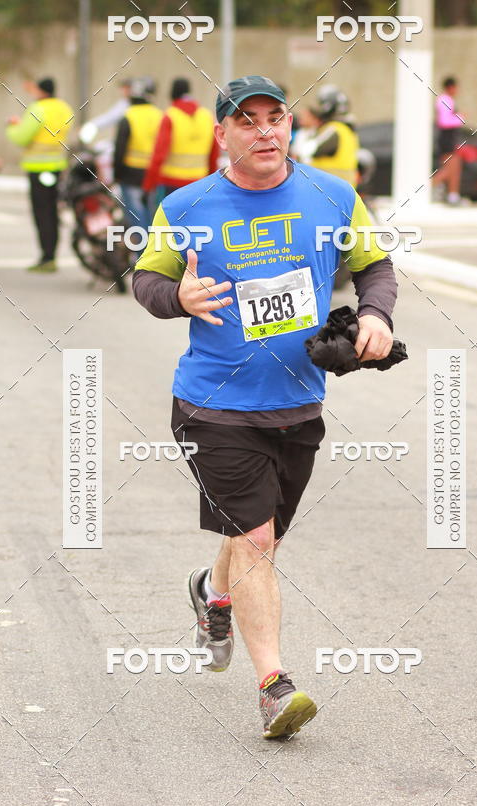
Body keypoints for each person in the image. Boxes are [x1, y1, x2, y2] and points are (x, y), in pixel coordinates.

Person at [132, 75, 397, 739]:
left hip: (299, 403)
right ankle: (275, 687)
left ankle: (210, 593)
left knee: (251, 534)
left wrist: (375, 314)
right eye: (246, 121)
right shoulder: (187, 205)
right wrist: (178, 301)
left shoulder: (330, 196)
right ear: (222, 134)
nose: (264, 131)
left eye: (274, 118)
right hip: (211, 405)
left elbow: (376, 267)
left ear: (290, 126)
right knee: (257, 539)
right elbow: (145, 280)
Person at [6, 77, 73, 272]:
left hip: (38, 169)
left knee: (42, 212)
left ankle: (47, 257)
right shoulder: (64, 108)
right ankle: (52, 254)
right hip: (57, 167)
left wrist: (11, 126)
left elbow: (21, 137)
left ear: (41, 90)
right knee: (52, 211)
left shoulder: (38, 109)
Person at [142, 77, 217, 211]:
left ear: (172, 93)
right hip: (199, 183)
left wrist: (148, 186)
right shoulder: (207, 116)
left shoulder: (170, 116)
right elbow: (213, 155)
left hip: (171, 185)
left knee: (168, 228)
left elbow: (159, 155)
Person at [113, 77, 160, 232]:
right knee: (153, 216)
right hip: (153, 174)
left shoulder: (128, 116)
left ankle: (142, 253)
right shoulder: (159, 115)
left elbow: (120, 148)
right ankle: (153, 252)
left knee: (136, 216)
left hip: (131, 174)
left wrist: (117, 174)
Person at [297, 85, 359, 186]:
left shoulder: (334, 129)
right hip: (341, 189)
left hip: (327, 189)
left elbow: (307, 150)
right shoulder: (346, 129)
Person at [432, 76, 465, 206]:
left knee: (455, 167)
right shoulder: (444, 100)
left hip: (451, 137)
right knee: (448, 168)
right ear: (451, 87)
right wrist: (460, 118)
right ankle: (426, 189)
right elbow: (444, 122)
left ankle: (453, 196)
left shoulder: (448, 100)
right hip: (446, 138)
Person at [78, 79, 131, 145]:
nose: (123, 91)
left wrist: (89, 126)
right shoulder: (123, 103)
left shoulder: (127, 105)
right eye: (123, 88)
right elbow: (108, 117)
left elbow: (109, 118)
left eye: (126, 88)